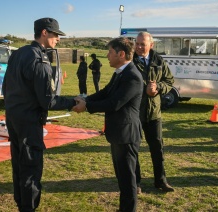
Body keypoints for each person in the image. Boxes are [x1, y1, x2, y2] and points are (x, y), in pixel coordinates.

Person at [2, 17, 76, 212]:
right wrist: (74, 102)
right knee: (31, 169)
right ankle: (29, 207)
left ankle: (21, 204)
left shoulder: (18, 54)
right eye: (55, 35)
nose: (58, 39)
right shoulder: (40, 59)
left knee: (18, 165)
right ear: (44, 33)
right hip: (29, 122)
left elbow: (5, 88)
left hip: (13, 118)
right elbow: (48, 101)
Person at [73, 37, 143, 212]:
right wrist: (86, 99)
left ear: (121, 54)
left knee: (127, 180)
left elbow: (114, 103)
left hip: (126, 135)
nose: (107, 56)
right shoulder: (120, 72)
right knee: (122, 177)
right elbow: (106, 92)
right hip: (118, 133)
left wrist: (87, 106)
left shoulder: (132, 76)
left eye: (110, 52)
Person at [133, 31, 175, 193]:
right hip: (135, 112)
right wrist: (145, 89)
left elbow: (169, 81)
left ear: (151, 45)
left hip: (154, 113)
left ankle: (161, 181)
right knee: (134, 148)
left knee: (157, 148)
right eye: (137, 43)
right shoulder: (131, 60)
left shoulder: (159, 60)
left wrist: (158, 88)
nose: (138, 47)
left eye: (142, 44)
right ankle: (135, 183)